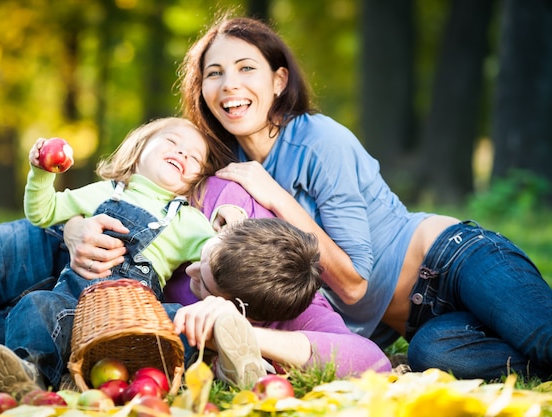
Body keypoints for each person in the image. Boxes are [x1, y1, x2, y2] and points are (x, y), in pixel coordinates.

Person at [168, 15, 552, 381]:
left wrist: (280, 198)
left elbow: (353, 286)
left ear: (279, 80)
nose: (229, 84)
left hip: (454, 260)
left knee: (542, 338)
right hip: (422, 327)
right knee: (430, 357)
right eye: (214, 73)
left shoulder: (320, 141)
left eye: (246, 68)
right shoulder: (224, 172)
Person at [0, 116, 248, 394]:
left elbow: (219, 255)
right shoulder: (105, 191)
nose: (182, 153)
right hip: (74, 310)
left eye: (193, 158)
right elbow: (42, 212)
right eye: (172, 142)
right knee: (36, 304)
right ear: (140, 148)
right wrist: (41, 174)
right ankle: (28, 373)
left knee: (182, 319)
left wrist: (229, 220)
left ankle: (223, 365)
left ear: (195, 179)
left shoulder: (185, 218)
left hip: (139, 319)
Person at [173, 218, 391, 387]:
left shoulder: (305, 309)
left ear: (245, 311)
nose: (189, 270)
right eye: (201, 257)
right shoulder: (241, 243)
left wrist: (237, 330)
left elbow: (375, 363)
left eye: (202, 281)